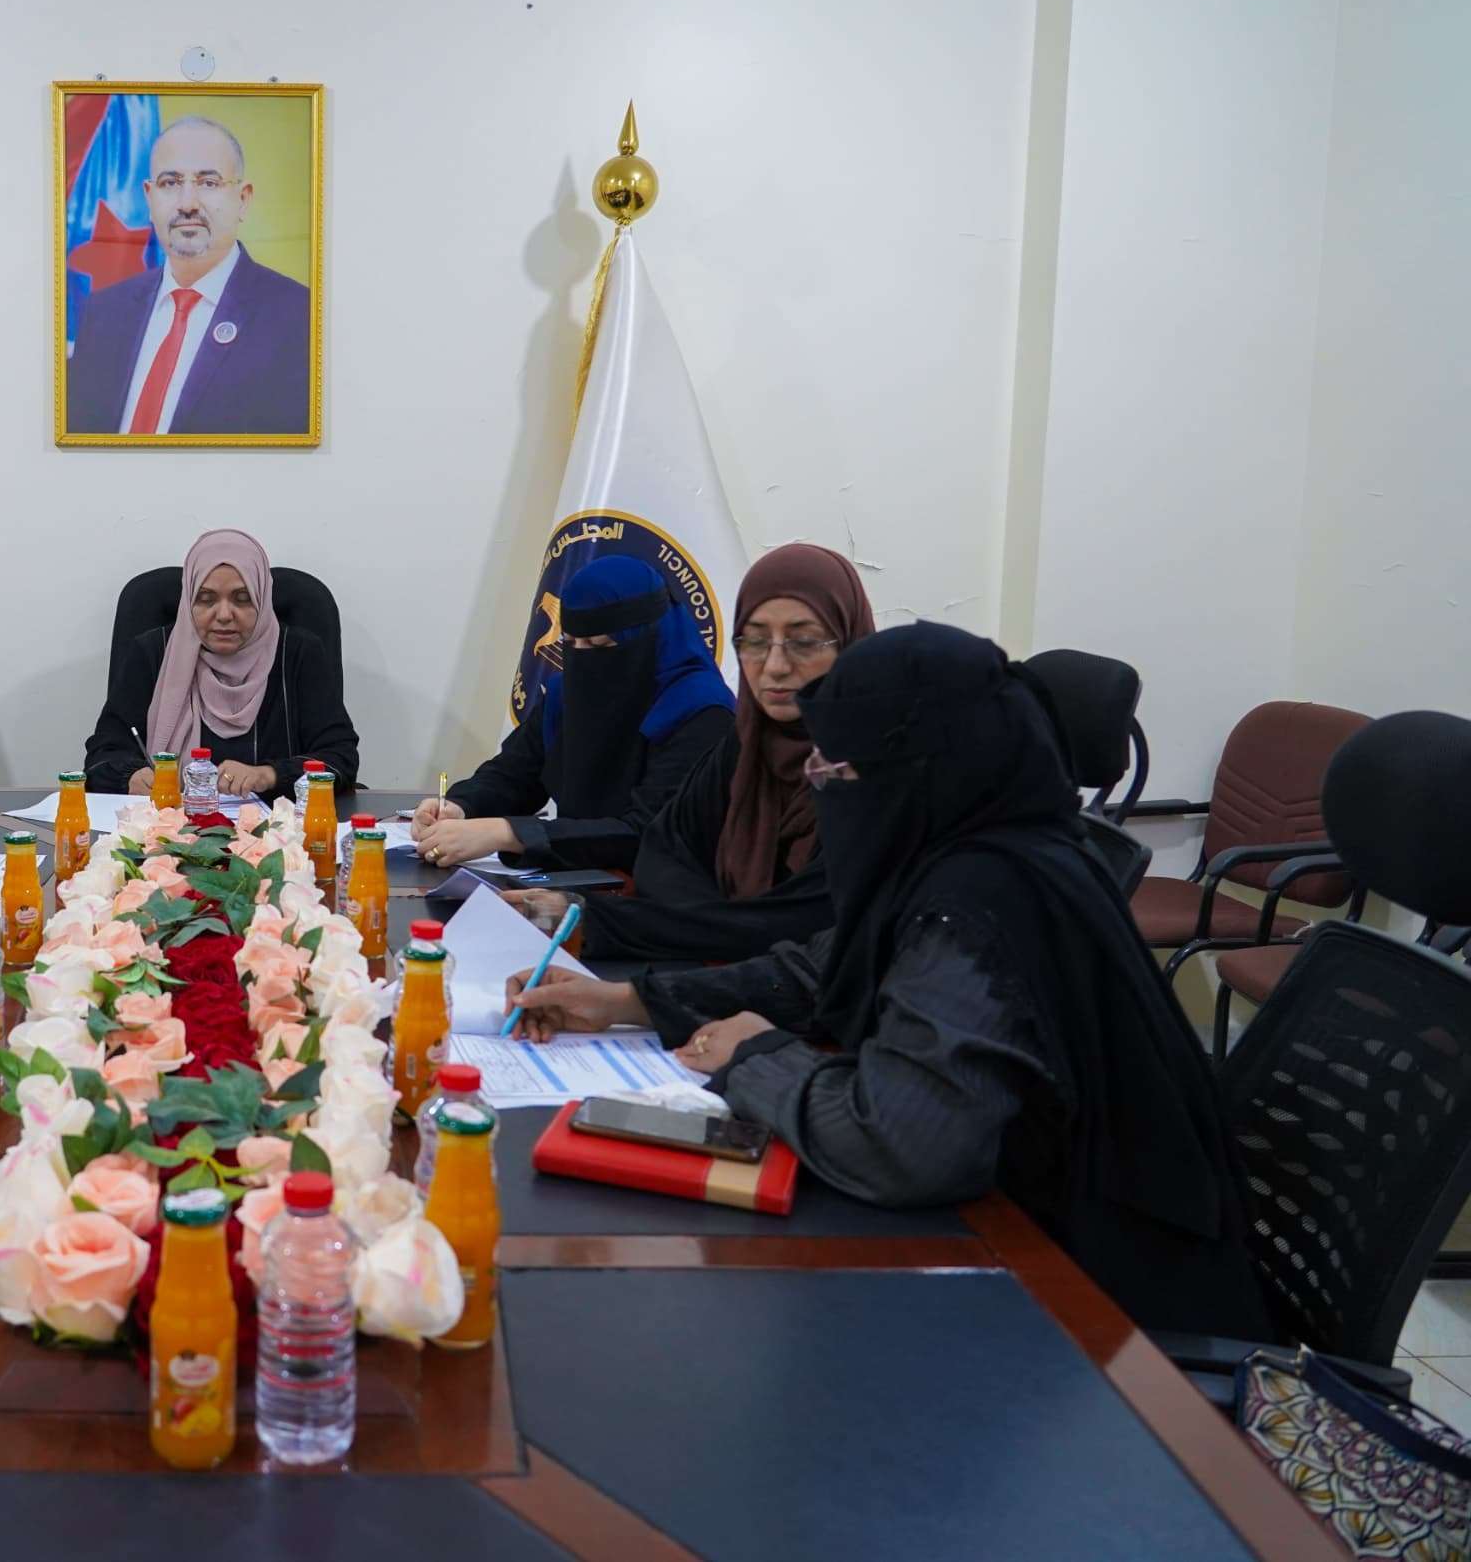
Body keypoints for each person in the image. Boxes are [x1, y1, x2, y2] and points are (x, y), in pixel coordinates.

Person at [506, 624, 1277, 1338]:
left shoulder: (980, 900)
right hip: (1029, 1252)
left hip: (1096, 1314)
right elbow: (819, 968)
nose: (823, 787)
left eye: (838, 770)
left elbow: (901, 1145)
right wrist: (627, 1001)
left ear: (917, 773)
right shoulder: (978, 846)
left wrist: (756, 1056)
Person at [501, 541, 874, 970]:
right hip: (713, 972)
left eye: (803, 642)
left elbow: (802, 925)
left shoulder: (876, 772)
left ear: (848, 642)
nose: (774, 666)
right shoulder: (746, 745)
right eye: (754, 641)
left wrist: (591, 920)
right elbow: (663, 856)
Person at [411, 556, 734, 869]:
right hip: (574, 882)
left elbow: (648, 833)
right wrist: (461, 806)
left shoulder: (702, 712)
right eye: (571, 643)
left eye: (598, 645)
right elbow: (514, 775)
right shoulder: (568, 693)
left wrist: (509, 834)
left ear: (648, 638)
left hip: (660, 894)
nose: (581, 659)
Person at [64, 116, 311, 437]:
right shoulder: (103, 311)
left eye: (208, 183)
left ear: (243, 199)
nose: (187, 204)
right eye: (170, 183)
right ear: (149, 198)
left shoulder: (299, 318)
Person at [85, 529, 357, 800]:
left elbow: (340, 758)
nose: (224, 615)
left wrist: (268, 775)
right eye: (206, 599)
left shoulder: (298, 653)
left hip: (278, 824)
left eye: (243, 599)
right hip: (168, 821)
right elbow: (102, 755)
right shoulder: (152, 652)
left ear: (262, 599)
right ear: (188, 601)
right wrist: (131, 776)